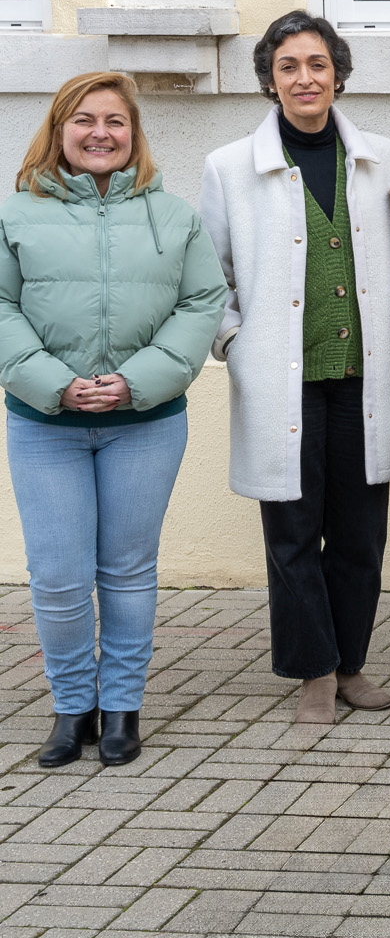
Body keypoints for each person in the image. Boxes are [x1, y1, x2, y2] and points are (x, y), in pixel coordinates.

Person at [0, 72, 225, 767]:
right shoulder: (16, 214)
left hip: (145, 423)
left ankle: (122, 708)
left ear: (134, 134)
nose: (101, 133)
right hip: (44, 426)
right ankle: (73, 710)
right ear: (58, 131)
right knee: (59, 576)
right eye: (85, 120)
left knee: (127, 570)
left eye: (116, 122)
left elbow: (203, 302)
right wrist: (56, 385)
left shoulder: (175, 216)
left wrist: (137, 382)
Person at [201, 11, 390, 726]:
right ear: (269, 78)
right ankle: (314, 673)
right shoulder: (230, 167)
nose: (304, 78)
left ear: (338, 75)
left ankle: (352, 662)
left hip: (363, 378)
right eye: (289, 65)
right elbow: (211, 278)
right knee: (293, 534)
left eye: (317, 64)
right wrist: (235, 344)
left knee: (360, 533)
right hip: (280, 382)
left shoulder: (381, 156)